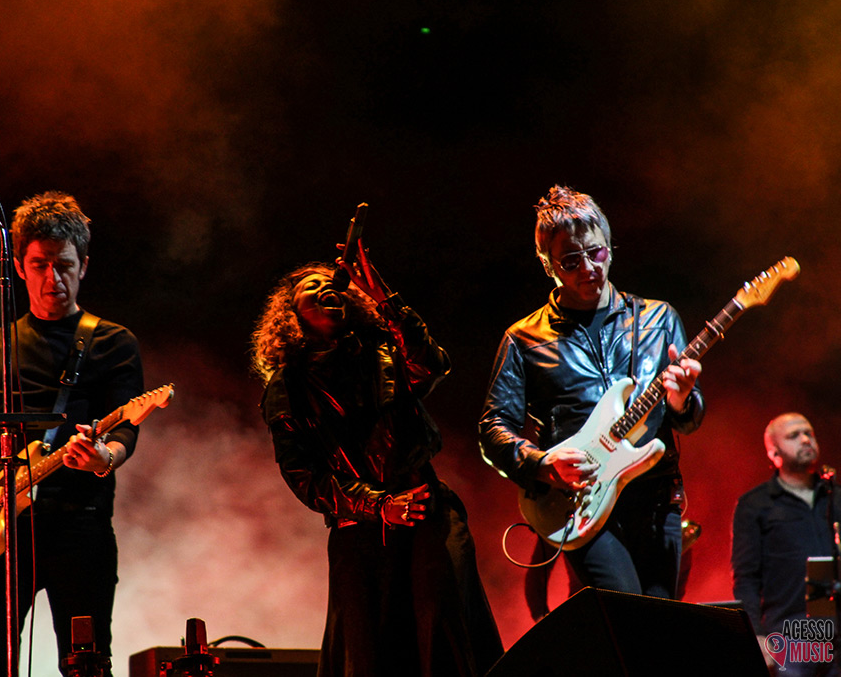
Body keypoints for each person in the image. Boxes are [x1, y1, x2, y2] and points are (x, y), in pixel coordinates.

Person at [252, 242, 504, 676]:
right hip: (359, 531)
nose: (327, 288)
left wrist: (385, 297)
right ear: (292, 314)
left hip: (425, 507)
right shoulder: (286, 387)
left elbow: (433, 365)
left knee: (443, 623)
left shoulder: (382, 347)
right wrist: (378, 505)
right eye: (311, 287)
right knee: (375, 654)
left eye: (332, 283)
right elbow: (304, 476)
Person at [0, 191, 145, 677]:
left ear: (83, 266)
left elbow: (126, 431)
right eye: (40, 265)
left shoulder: (114, 343)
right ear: (18, 267)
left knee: (86, 663)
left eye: (64, 265)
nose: (53, 278)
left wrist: (104, 458)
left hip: (81, 524)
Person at [479, 184, 704, 599]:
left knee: (662, 623)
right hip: (581, 501)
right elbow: (493, 428)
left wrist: (681, 400)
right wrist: (542, 464)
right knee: (624, 609)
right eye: (570, 260)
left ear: (610, 247)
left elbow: (687, 420)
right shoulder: (524, 339)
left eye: (596, 252)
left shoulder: (658, 319)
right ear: (547, 264)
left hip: (655, 499)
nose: (588, 268)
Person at [732, 413, 841, 675]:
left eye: (808, 433)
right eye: (793, 436)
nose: (805, 440)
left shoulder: (836, 497)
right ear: (774, 453)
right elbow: (746, 578)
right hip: (791, 632)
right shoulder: (755, 505)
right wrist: (756, 635)